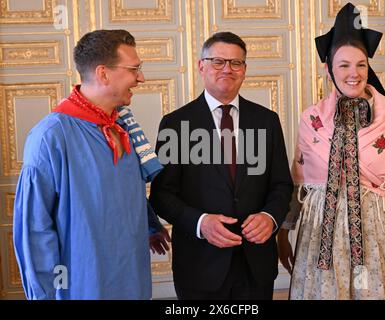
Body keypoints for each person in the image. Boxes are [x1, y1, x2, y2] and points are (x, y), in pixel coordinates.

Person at [278, 2, 385, 300]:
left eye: (360, 65)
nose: (353, 73)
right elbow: (298, 185)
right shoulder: (312, 119)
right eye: (343, 65)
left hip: (376, 238)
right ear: (330, 70)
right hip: (319, 239)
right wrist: (283, 234)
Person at [13, 29, 170, 300]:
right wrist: (44, 295)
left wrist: (148, 225)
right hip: (82, 283)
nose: (141, 78)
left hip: (131, 275)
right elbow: (34, 227)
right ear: (103, 73)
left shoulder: (121, 126)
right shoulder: (51, 136)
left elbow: (120, 186)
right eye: (134, 69)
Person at [150, 31, 293, 300]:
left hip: (256, 265)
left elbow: (281, 184)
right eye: (218, 61)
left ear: (244, 70)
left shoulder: (267, 120)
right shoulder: (176, 125)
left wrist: (270, 217)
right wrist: (201, 222)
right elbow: (161, 195)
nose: (227, 69)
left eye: (235, 63)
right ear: (201, 66)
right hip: (199, 265)